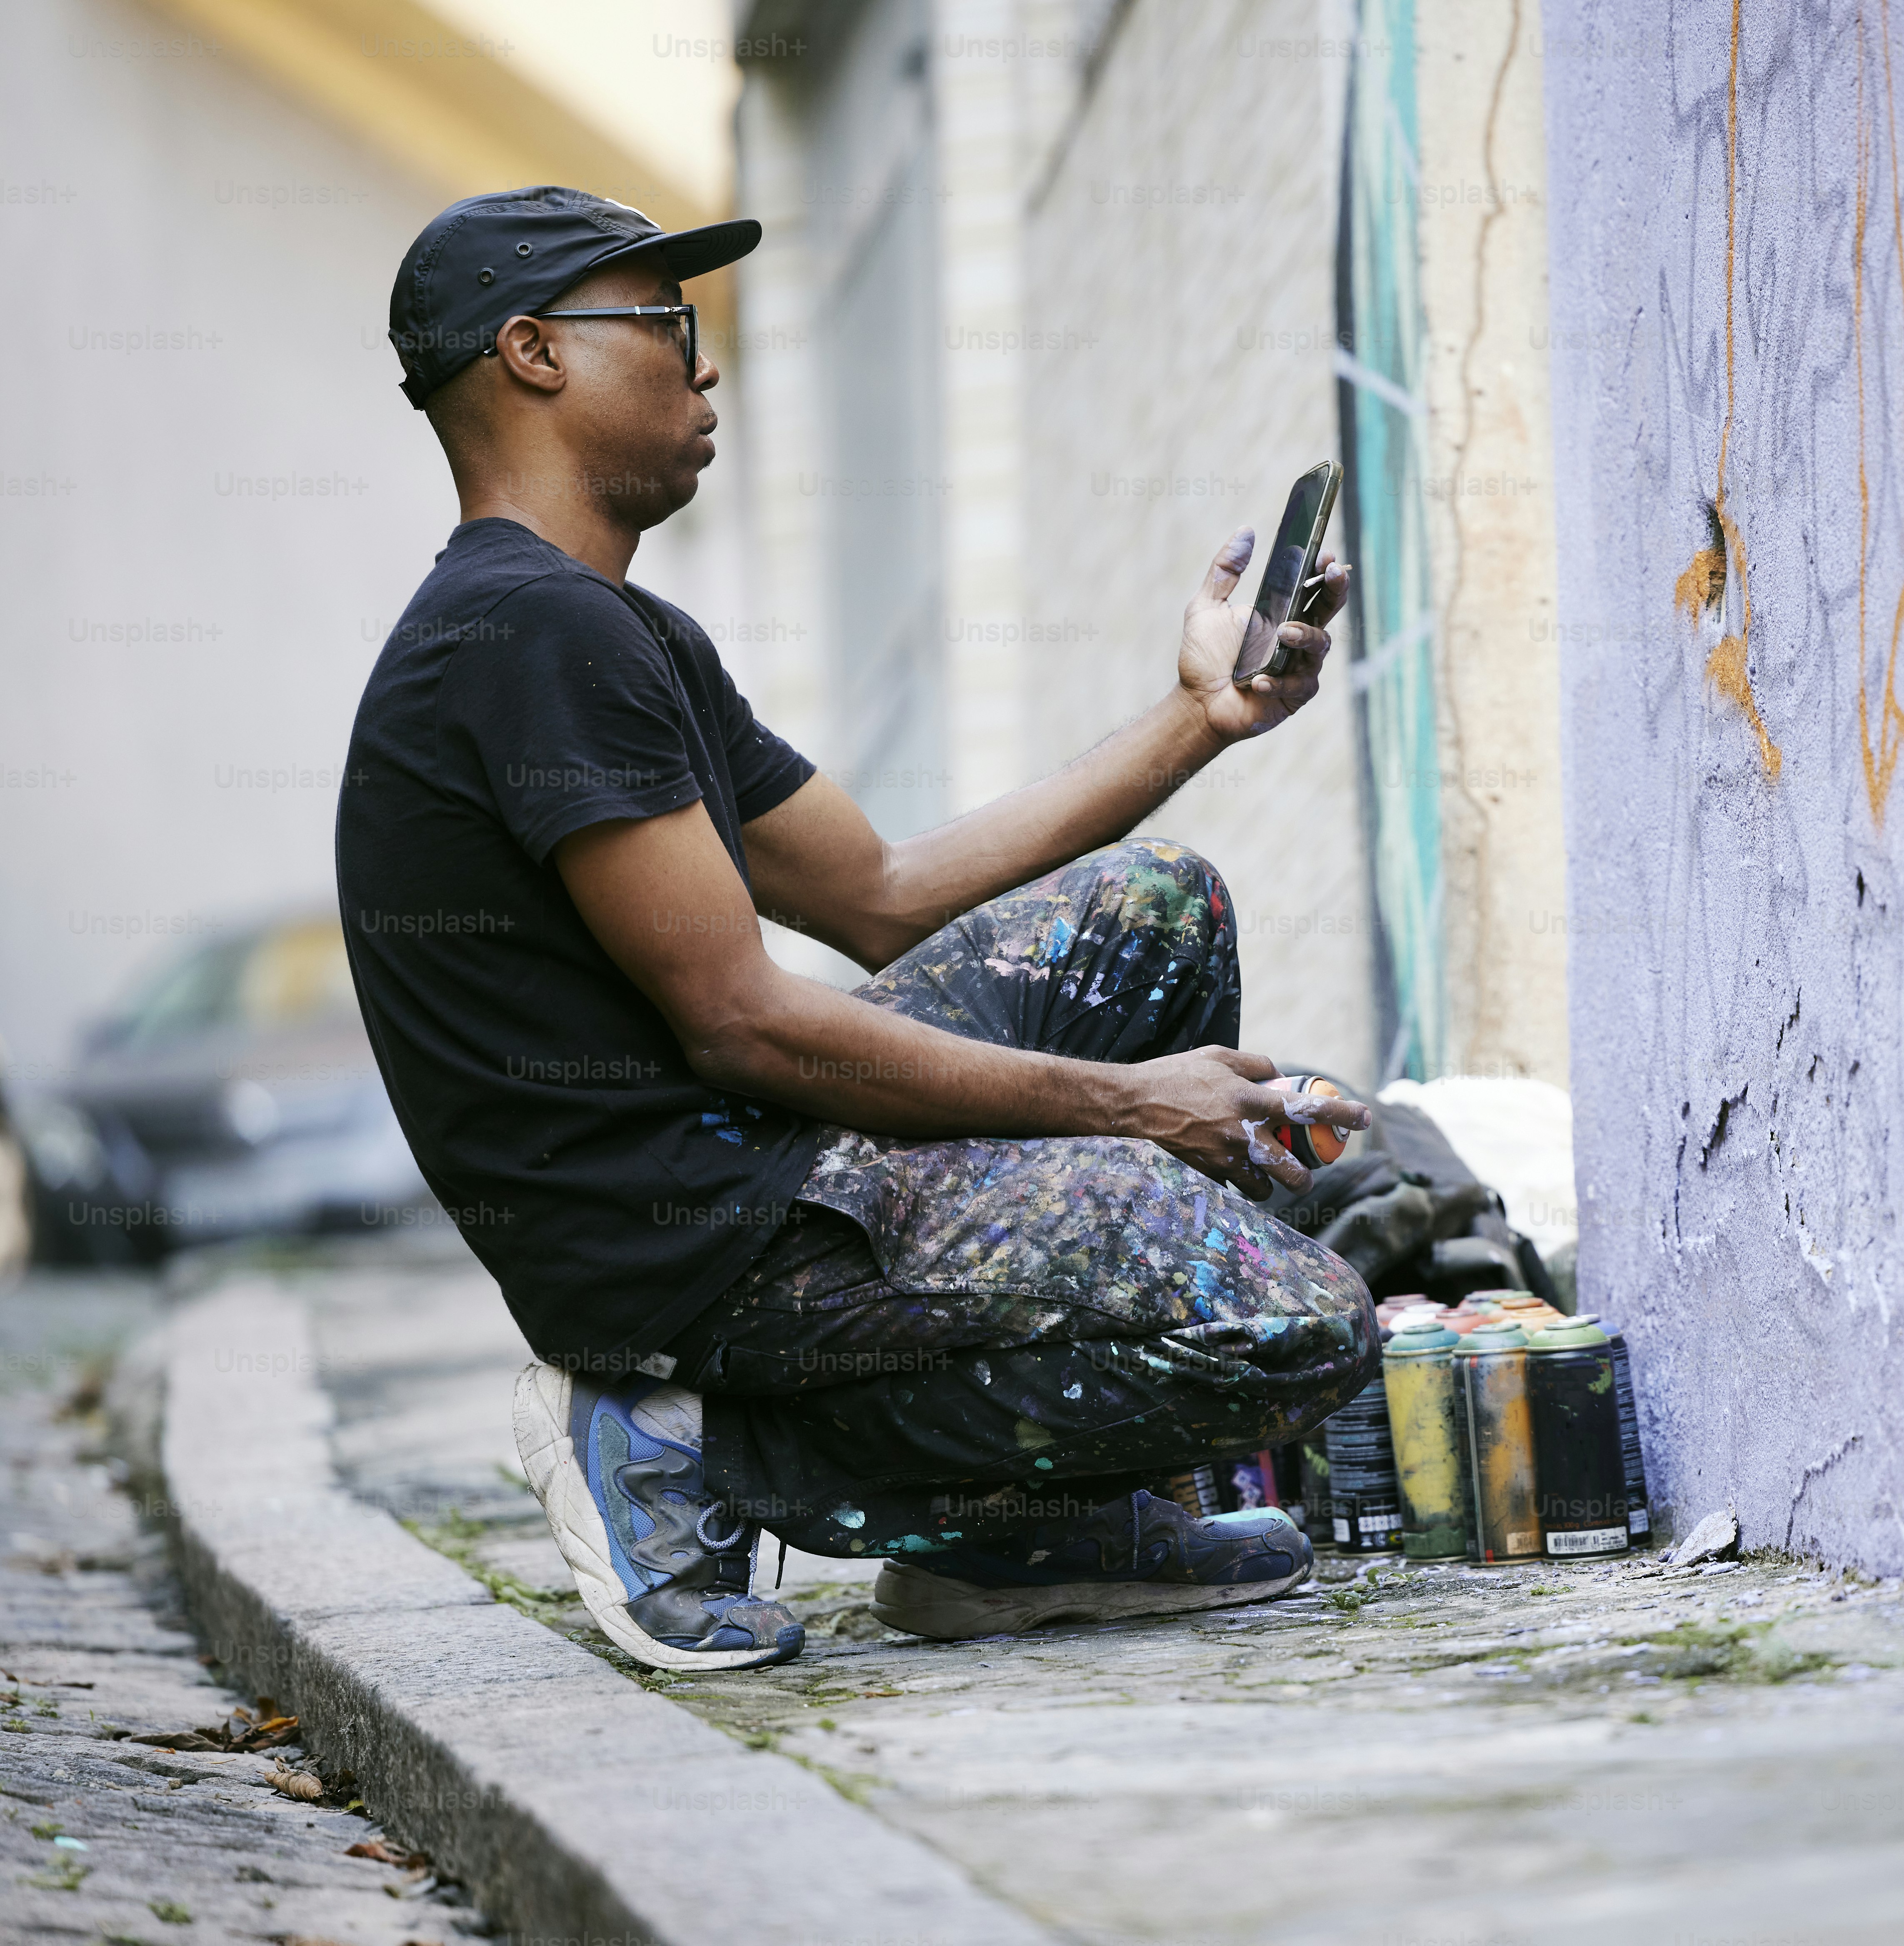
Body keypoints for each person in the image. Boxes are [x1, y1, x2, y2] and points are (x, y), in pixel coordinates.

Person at [338, 186, 1376, 1673]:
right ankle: (682, 1443)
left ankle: (1017, 1543)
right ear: (533, 353)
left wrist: (1200, 715)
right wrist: (1135, 1107)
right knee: (1292, 1320)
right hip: (700, 1241)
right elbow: (740, 1023)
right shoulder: (529, 634)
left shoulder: (622, 631)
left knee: (1156, 911)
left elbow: (880, 893)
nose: (706, 367)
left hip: (768, 1154)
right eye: (668, 325)